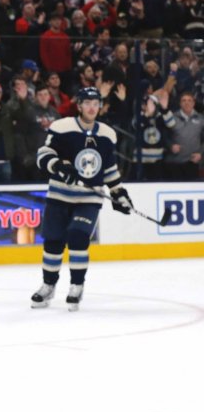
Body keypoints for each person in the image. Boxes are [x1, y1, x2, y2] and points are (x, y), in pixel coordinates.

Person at [32, 87, 133, 311]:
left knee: (78, 237)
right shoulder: (61, 127)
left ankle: (77, 286)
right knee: (53, 242)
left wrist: (118, 193)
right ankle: (48, 286)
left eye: (95, 103)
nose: (91, 107)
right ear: (79, 106)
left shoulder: (107, 134)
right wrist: (57, 165)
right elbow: (43, 154)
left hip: (89, 198)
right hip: (60, 195)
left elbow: (108, 168)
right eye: (87, 103)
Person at [164, 92, 204, 180]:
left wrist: (200, 153)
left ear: (193, 103)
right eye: (184, 100)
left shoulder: (201, 119)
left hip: (192, 163)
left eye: (190, 100)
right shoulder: (172, 118)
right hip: (174, 163)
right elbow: (164, 136)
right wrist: (170, 146)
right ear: (180, 103)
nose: (187, 103)